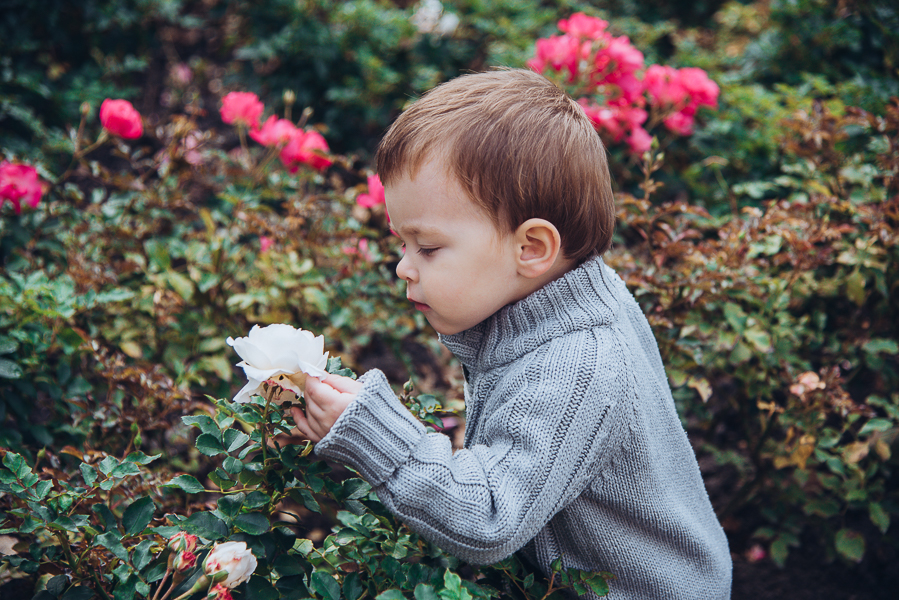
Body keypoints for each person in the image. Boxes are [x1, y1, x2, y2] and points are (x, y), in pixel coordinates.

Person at [291, 68, 732, 599]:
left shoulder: (578, 365)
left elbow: (489, 517)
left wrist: (374, 433)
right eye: (401, 243)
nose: (404, 268)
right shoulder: (555, 298)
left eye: (427, 248)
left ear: (532, 249)